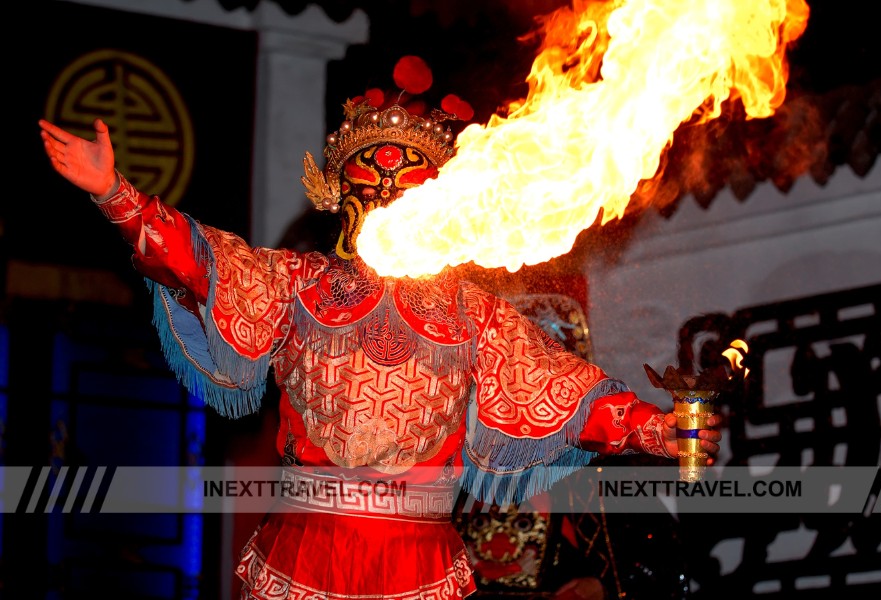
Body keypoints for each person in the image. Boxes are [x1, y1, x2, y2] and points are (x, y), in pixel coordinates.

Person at [38, 78, 721, 599]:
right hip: (303, 551)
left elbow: (562, 390)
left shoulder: (470, 313)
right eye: (372, 188)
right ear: (341, 197)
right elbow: (201, 264)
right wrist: (118, 195)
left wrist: (652, 430)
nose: (388, 203)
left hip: (420, 560)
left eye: (406, 191)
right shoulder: (299, 282)